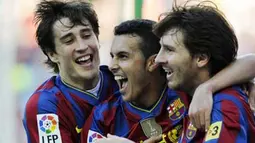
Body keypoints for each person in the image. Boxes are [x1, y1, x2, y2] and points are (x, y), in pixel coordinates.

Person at [81, 18, 255, 143]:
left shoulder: (212, 101)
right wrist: (207, 87)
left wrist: (208, 88)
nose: (159, 59)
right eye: (112, 56)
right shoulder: (103, 116)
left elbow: (250, 62)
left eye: (169, 50)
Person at [153, 1, 255, 142]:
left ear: (201, 58)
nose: (158, 59)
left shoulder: (224, 107)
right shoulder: (183, 88)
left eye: (169, 50)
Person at [22, 1, 118, 143]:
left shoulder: (121, 81)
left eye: (86, 35)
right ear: (52, 54)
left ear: (97, 38)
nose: (82, 46)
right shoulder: (45, 105)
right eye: (69, 40)